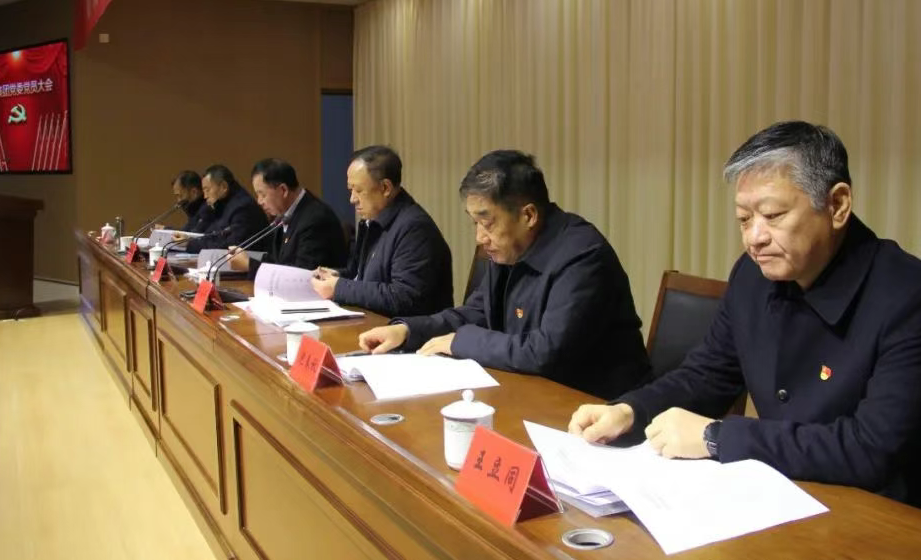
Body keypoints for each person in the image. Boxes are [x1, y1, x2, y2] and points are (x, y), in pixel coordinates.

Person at [568, 121, 921, 521]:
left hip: (894, 522)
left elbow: (872, 449)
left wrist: (715, 437)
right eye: (744, 219)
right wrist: (631, 411)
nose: (754, 238)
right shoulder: (752, 276)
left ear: (837, 205)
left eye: (772, 215)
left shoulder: (913, 298)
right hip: (789, 497)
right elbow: (707, 375)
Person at [357, 150, 650, 399]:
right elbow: (477, 312)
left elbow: (545, 352)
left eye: (487, 223)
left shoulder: (583, 257)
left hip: (599, 408)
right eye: (474, 223)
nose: (479, 238)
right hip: (531, 394)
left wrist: (461, 341)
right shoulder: (511, 247)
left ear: (528, 215)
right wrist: (408, 331)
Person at [311, 146, 452, 316]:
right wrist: (337, 276)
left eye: (359, 190)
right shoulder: (371, 220)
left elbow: (404, 297)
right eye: (350, 189)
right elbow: (360, 275)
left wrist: (339, 287)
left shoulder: (415, 228)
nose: (352, 199)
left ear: (385, 188)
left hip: (406, 328)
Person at [228, 158, 347, 275]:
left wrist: (249, 265)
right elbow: (279, 262)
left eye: (262, 195)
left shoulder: (315, 219)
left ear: (283, 190)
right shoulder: (285, 214)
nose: (259, 201)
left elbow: (302, 274)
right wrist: (248, 261)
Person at [180, 164, 268, 253]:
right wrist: (190, 241)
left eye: (207, 190)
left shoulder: (242, 208)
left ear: (224, 186)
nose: (205, 196)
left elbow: (230, 246)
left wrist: (190, 244)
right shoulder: (222, 205)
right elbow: (211, 235)